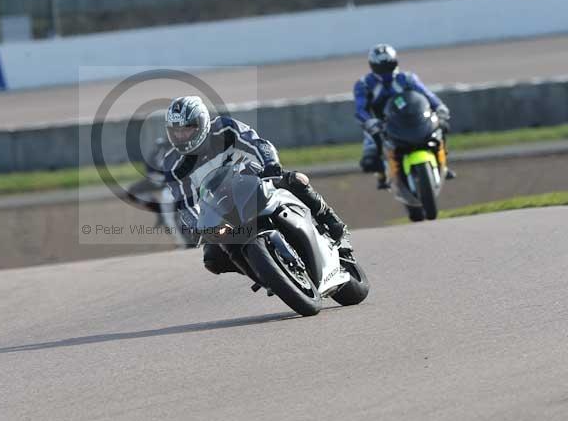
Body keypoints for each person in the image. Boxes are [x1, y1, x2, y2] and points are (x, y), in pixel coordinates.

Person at [162, 95, 352, 277]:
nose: (181, 135)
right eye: (175, 131)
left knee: (296, 180)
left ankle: (334, 224)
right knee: (212, 258)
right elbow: (184, 203)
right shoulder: (172, 163)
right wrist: (199, 226)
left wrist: (271, 165)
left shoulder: (224, 128)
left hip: (254, 180)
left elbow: (257, 143)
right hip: (221, 209)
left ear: (201, 123)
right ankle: (265, 273)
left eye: (186, 129)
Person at [354, 44, 454, 188]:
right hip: (382, 125)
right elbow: (360, 109)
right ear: (372, 66)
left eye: (389, 64)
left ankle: (442, 163)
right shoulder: (364, 84)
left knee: (440, 128)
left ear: (395, 62)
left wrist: (440, 108)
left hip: (413, 119)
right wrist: (370, 122)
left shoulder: (407, 78)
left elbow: (427, 95)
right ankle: (382, 175)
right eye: (381, 66)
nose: (385, 70)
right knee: (369, 161)